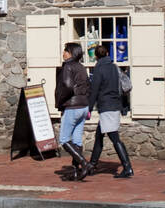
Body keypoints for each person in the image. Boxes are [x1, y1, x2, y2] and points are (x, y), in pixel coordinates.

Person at [88, 44, 133, 178]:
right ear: (107, 53)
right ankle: (92, 165)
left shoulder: (99, 69)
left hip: (106, 106)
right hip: (115, 104)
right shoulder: (114, 67)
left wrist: (89, 108)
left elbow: (94, 90)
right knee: (99, 137)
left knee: (114, 138)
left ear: (96, 56)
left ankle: (127, 167)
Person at [54, 42, 90, 181]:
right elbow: (88, 86)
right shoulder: (81, 67)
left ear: (70, 52)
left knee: (64, 139)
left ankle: (83, 163)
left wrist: (61, 101)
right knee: (76, 141)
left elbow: (67, 86)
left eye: (65, 50)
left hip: (72, 106)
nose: (63, 53)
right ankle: (77, 172)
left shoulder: (68, 66)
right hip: (83, 105)